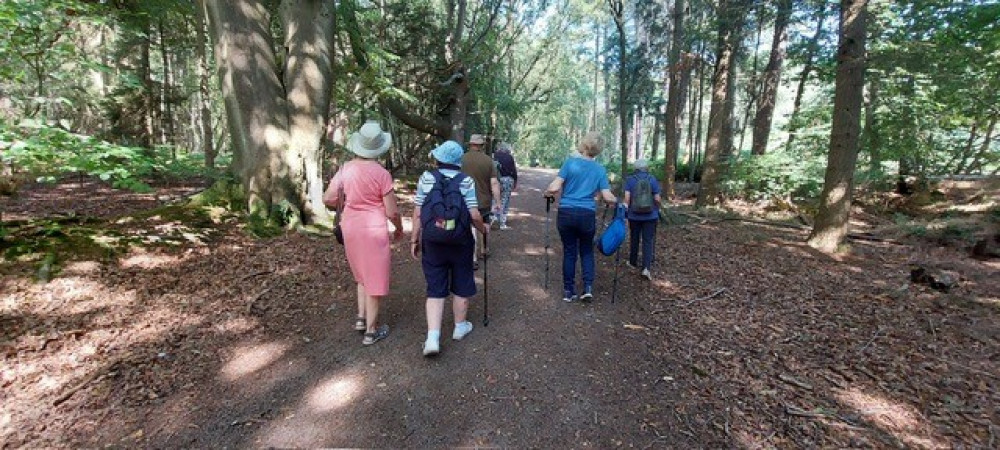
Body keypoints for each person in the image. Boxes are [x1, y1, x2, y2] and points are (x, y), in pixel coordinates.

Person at [323, 120, 403, 346]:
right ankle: (371, 331)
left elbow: (328, 198)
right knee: (375, 279)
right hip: (373, 230)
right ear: (378, 148)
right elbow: (391, 211)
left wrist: (349, 200)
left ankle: (361, 318)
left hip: (350, 227)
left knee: (361, 276)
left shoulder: (345, 169)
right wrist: (398, 228)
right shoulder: (381, 174)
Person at [411, 141, 490, 357]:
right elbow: (474, 215)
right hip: (461, 241)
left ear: (438, 159)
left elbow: (418, 212)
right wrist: (483, 230)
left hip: (433, 241)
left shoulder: (427, 178)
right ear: (458, 161)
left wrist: (414, 239)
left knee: (435, 288)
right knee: (462, 280)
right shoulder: (466, 181)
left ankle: (432, 337)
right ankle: (459, 327)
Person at [544, 132, 617, 303]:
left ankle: (569, 291)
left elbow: (555, 187)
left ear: (584, 145)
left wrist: (548, 192)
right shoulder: (599, 169)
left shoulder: (570, 163)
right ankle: (588, 288)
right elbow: (607, 196)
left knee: (569, 251)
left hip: (566, 213)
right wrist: (617, 201)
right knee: (586, 250)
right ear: (598, 150)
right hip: (586, 215)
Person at [461, 134, 501, 270]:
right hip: (484, 201)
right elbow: (494, 182)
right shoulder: (488, 161)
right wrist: (498, 202)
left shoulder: (461, 159)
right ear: (482, 146)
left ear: (470, 144)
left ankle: (470, 256)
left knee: (469, 227)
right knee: (483, 225)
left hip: (464, 200)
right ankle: (483, 250)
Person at [623, 159, 662, 280]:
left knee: (634, 238)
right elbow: (657, 198)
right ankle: (646, 268)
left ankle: (632, 262)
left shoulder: (630, 180)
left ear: (635, 168)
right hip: (650, 216)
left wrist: (625, 212)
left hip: (634, 215)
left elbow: (627, 199)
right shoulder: (652, 179)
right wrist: (657, 209)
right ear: (647, 168)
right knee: (648, 241)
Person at [493, 142, 519, 229]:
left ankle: (493, 217)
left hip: (496, 179)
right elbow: (514, 170)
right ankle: (502, 223)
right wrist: (515, 181)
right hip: (508, 180)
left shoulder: (495, 156)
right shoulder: (509, 157)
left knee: (495, 199)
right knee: (505, 200)